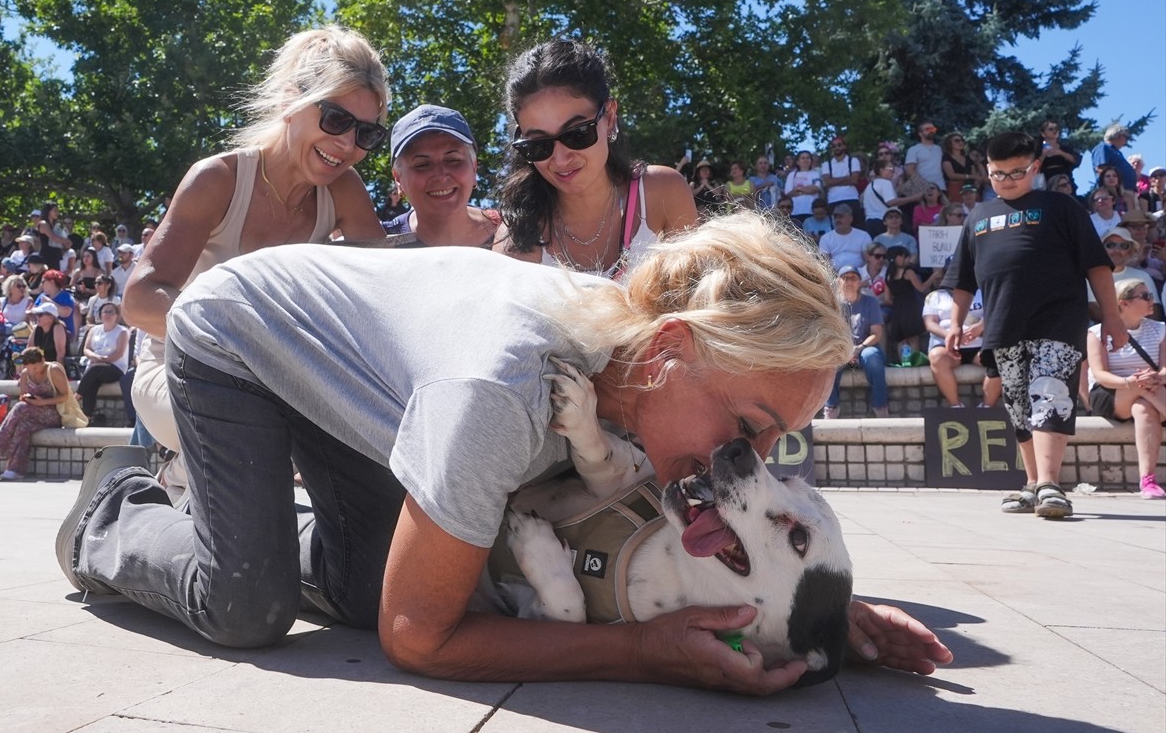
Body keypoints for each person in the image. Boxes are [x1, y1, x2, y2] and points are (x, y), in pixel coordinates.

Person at [56, 212, 952, 695]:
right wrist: (639, 654)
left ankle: (251, 522)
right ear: (672, 349)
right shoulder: (504, 393)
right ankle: (114, 511)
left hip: (370, 382)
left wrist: (817, 609)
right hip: (240, 333)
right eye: (748, 424)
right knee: (246, 608)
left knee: (375, 589)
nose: (748, 460)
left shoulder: (644, 373)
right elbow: (419, 640)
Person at [125, 24, 389, 491]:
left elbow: (381, 300)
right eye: (335, 119)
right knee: (264, 418)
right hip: (176, 371)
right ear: (291, 100)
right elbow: (139, 300)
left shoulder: (344, 191)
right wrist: (250, 340)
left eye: (366, 133)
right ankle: (173, 481)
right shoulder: (216, 179)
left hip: (279, 382)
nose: (348, 145)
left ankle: (188, 482)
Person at [943, 130, 1124, 519]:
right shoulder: (978, 216)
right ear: (987, 170)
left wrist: (1112, 316)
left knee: (1050, 395)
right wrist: (955, 323)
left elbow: (1097, 265)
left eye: (1017, 172)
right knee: (1019, 406)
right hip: (1004, 325)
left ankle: (1050, 484)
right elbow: (962, 279)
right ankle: (1032, 483)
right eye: (998, 173)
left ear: (1036, 167)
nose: (1007, 180)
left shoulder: (1061, 206)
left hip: (1058, 321)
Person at [493, 38, 697, 279]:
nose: (560, 159)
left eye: (577, 134)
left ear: (609, 117)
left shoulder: (663, 193)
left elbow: (696, 296)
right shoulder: (516, 238)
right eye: (539, 145)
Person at [1085, 280, 1165, 499]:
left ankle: (1148, 481)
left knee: (1143, 408)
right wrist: (1130, 382)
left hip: (1151, 389)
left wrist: (1155, 377)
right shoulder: (1097, 333)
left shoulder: (1160, 329)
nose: (1152, 300)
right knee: (1142, 389)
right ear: (1124, 303)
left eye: (1151, 295)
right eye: (1145, 296)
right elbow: (1100, 375)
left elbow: (1165, 368)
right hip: (1111, 392)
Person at [381, 105, 500, 248]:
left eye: (453, 160)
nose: (440, 175)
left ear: (474, 168)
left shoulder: (515, 233)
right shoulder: (377, 245)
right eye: (422, 164)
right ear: (398, 179)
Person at [0, 347, 68, 479]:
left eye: (35, 367)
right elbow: (23, 397)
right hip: (33, 413)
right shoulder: (25, 374)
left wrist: (42, 402)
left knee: (20, 407)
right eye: (29, 368)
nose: (32, 371)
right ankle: (15, 470)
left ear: (42, 360)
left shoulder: (54, 370)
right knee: (22, 426)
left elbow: (65, 396)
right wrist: (29, 399)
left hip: (54, 414)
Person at [824, 265, 889, 419]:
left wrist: (859, 348)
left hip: (865, 347)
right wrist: (846, 351)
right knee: (828, 361)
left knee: (872, 358)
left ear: (860, 282)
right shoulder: (832, 305)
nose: (849, 282)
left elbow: (876, 333)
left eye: (853, 278)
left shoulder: (871, 302)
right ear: (838, 281)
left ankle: (880, 406)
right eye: (845, 278)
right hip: (840, 350)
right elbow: (829, 335)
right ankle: (831, 406)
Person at [924, 285, 1001, 408]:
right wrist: (951, 336)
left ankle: (986, 407)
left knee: (1001, 357)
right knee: (936, 357)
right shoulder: (935, 296)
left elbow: (996, 313)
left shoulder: (985, 291)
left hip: (980, 345)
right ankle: (956, 406)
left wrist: (980, 327)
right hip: (947, 347)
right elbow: (929, 323)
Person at [1086, 227, 1162, 322]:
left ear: (1131, 251)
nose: (1116, 250)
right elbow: (1093, 310)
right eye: (1110, 245)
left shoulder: (1143, 276)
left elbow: (1155, 310)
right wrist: (1124, 327)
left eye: (1124, 246)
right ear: (1102, 249)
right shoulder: (1091, 277)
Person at [75, 303, 129, 424]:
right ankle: (88, 417)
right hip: (95, 366)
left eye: (111, 312)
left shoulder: (122, 332)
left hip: (115, 367)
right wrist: (95, 357)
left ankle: (77, 396)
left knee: (95, 369)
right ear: (100, 315)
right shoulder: (94, 330)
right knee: (92, 383)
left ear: (116, 316)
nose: (108, 314)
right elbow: (86, 349)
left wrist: (102, 360)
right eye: (105, 312)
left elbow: (119, 353)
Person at [884, 246, 932, 360]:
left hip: (897, 309)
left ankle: (903, 362)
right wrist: (933, 277)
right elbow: (921, 288)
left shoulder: (888, 276)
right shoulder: (908, 272)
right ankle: (914, 361)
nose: (909, 260)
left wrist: (897, 303)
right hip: (910, 308)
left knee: (901, 339)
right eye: (906, 257)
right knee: (913, 337)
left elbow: (887, 299)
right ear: (899, 257)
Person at [818, 203, 872, 270]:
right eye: (835, 217)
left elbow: (868, 259)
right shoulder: (826, 238)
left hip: (859, 273)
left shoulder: (863, 236)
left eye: (841, 216)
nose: (838, 220)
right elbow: (824, 262)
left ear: (851, 218)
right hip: (835, 273)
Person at [820, 136, 861, 221]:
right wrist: (846, 178)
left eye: (839, 145)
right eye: (834, 146)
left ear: (844, 146)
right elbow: (827, 182)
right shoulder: (826, 164)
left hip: (851, 198)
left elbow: (854, 180)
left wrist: (834, 181)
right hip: (833, 199)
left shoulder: (853, 160)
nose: (836, 148)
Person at [1090, 123, 1137, 193]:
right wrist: (1113, 191)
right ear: (1118, 136)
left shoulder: (1116, 152)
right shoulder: (1103, 147)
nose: (1126, 141)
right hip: (1115, 192)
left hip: (1126, 192)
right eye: (1126, 137)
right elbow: (1102, 170)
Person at [903, 122, 946, 194]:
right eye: (927, 129)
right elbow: (909, 171)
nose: (931, 131)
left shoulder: (939, 149)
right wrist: (924, 185)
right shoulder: (913, 150)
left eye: (932, 129)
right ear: (920, 134)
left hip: (940, 187)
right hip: (921, 190)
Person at [1037, 121, 1079, 191]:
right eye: (1050, 129)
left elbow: (1075, 160)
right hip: (1046, 179)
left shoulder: (1064, 148)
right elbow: (1034, 168)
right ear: (1043, 134)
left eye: (1056, 129)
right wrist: (1043, 155)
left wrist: (1060, 153)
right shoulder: (1038, 149)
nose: (1054, 131)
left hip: (1064, 176)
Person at [784, 150, 822, 225]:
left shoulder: (815, 174)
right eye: (803, 158)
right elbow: (788, 193)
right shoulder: (792, 175)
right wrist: (809, 189)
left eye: (808, 158)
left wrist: (798, 189)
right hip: (795, 211)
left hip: (811, 211)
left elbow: (816, 188)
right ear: (798, 161)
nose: (805, 160)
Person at [939, 132, 974, 202]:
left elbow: (974, 173)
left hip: (970, 188)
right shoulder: (946, 157)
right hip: (955, 188)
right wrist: (969, 176)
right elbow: (951, 175)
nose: (960, 142)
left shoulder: (967, 158)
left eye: (962, 140)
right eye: (956, 141)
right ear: (950, 143)